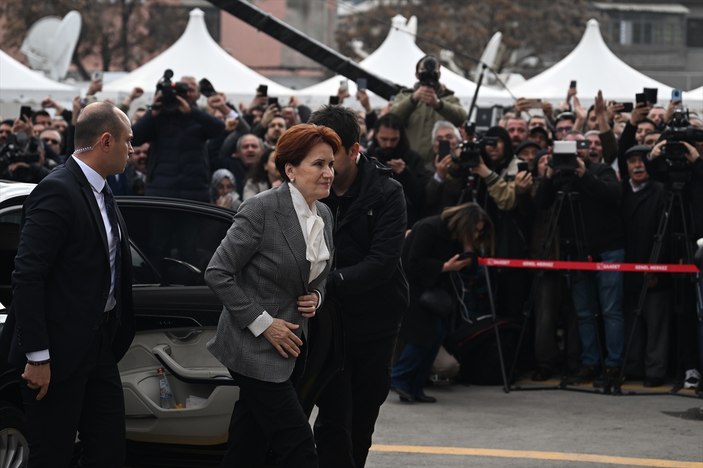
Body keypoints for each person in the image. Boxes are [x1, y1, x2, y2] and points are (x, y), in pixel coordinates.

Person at [3, 101, 135, 467]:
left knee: (109, 451)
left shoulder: (103, 191)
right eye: (128, 141)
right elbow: (28, 275)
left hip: (99, 347)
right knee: (53, 454)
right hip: (56, 354)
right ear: (106, 141)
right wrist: (38, 355)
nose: (132, 149)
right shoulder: (57, 190)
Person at [205, 123, 338, 467]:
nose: (328, 173)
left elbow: (318, 276)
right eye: (318, 164)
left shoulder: (323, 213)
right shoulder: (261, 209)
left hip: (293, 350)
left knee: (247, 446)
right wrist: (264, 324)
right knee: (299, 447)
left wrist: (317, 298)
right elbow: (218, 272)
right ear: (290, 169)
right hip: (254, 350)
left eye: (331, 164)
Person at [307, 105, 408, 468]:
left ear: (354, 150)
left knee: (361, 418)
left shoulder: (386, 192)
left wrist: (324, 284)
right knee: (333, 418)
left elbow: (382, 263)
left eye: (329, 158)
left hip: (374, 321)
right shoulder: (308, 189)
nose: (322, 168)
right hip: (324, 322)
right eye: (314, 158)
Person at [392, 203, 493, 403]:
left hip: (434, 293)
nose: (475, 234)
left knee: (435, 335)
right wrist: (444, 267)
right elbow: (412, 264)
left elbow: (469, 272)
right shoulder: (429, 228)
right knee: (422, 337)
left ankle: (416, 386)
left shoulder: (456, 236)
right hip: (414, 291)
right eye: (474, 230)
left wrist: (468, 251)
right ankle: (401, 378)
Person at [390, 55, 467, 166]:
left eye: (433, 72)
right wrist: (413, 99)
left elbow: (462, 117)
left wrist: (439, 105)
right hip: (408, 163)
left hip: (439, 163)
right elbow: (393, 118)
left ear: (439, 74)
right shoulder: (404, 96)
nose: (429, 75)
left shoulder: (449, 98)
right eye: (424, 72)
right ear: (417, 75)